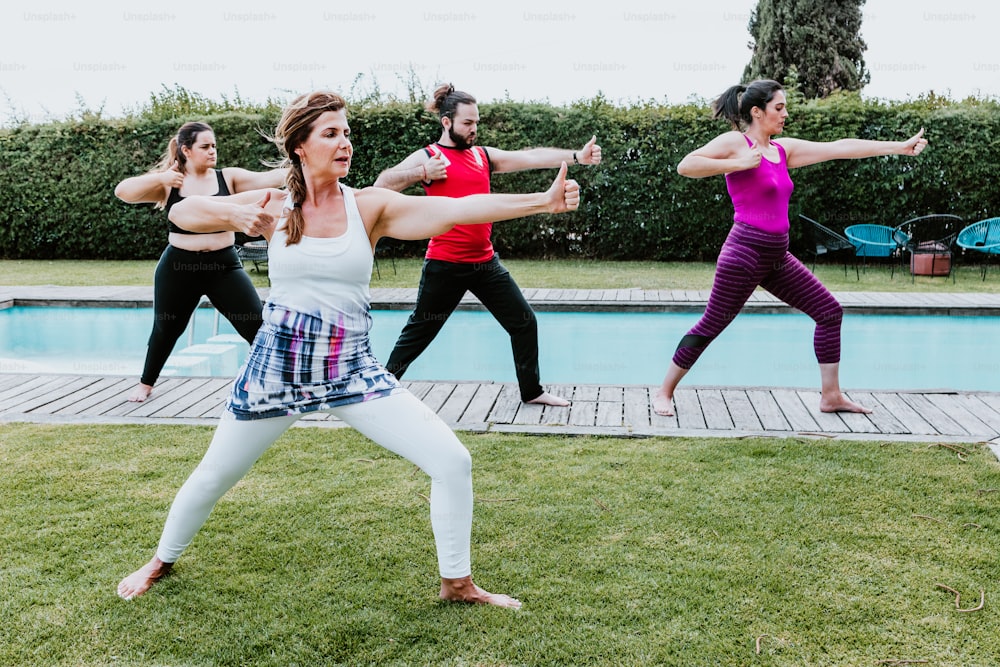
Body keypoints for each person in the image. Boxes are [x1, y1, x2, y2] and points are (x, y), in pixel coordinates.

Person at [116, 91, 580, 608]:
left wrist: (541, 201)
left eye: (347, 133)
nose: (345, 144)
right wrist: (243, 217)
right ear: (299, 146)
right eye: (331, 134)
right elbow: (189, 211)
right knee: (214, 475)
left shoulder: (369, 207)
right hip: (278, 371)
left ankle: (458, 583)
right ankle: (160, 560)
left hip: (351, 372)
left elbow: (457, 209)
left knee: (453, 460)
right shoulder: (273, 206)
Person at [652, 79, 928, 417]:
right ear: (757, 111)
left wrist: (898, 147)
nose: (785, 114)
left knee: (829, 312)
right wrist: (738, 164)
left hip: (777, 257)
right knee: (712, 323)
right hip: (744, 254)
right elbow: (687, 165)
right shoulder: (735, 143)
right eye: (778, 108)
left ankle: (831, 395)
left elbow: (839, 147)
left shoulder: (783, 151)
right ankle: (664, 392)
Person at [372, 83, 602, 407]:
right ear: (447, 122)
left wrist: (577, 156)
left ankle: (532, 391)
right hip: (445, 263)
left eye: (477, 122)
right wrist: (422, 171)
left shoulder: (482, 156)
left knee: (524, 322)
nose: (474, 129)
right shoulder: (430, 156)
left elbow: (530, 157)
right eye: (468, 123)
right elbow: (381, 185)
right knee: (418, 333)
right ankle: (380, 391)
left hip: (484, 264)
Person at [114, 122, 287, 402]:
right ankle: (145, 384)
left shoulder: (227, 178)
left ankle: (280, 380)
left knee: (256, 323)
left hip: (224, 267)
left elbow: (270, 178)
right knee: (167, 328)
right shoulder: (171, 184)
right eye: (205, 147)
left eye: (214, 146)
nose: (212, 151)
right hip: (178, 268)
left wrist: (302, 164)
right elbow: (123, 191)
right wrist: (161, 180)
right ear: (186, 150)